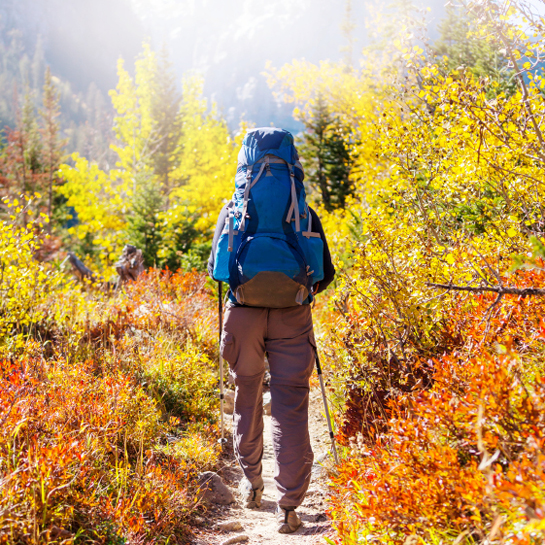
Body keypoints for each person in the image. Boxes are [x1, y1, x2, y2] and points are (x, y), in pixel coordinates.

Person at [208, 127, 335, 534]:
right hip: (292, 313)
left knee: (246, 392)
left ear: (245, 162)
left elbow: (217, 270)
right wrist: (297, 293)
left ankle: (252, 481)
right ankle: (290, 505)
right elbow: (325, 273)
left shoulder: (234, 208)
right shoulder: (302, 209)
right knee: (291, 405)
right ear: (291, 162)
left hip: (243, 311)